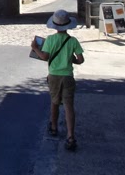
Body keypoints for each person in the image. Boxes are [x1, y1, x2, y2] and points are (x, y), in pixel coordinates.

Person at [31, 9, 85, 151]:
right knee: (69, 106)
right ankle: (70, 136)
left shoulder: (50, 39)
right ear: (68, 25)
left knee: (54, 102)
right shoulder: (73, 41)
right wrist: (71, 58)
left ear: (54, 25)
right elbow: (80, 60)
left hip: (54, 75)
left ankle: (54, 127)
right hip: (68, 76)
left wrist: (35, 48)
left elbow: (44, 57)